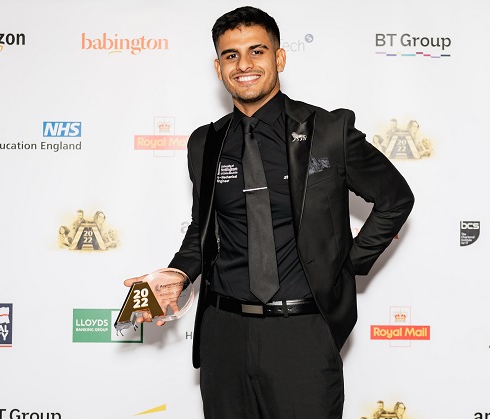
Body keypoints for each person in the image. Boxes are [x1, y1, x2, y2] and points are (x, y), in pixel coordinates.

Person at [124, 6, 414, 418]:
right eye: (230, 55)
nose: (244, 65)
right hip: (224, 335)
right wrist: (179, 272)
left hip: (302, 335)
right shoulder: (205, 142)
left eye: (256, 51)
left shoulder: (328, 132)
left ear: (278, 58)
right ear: (218, 67)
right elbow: (204, 228)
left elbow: (395, 198)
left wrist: (346, 265)